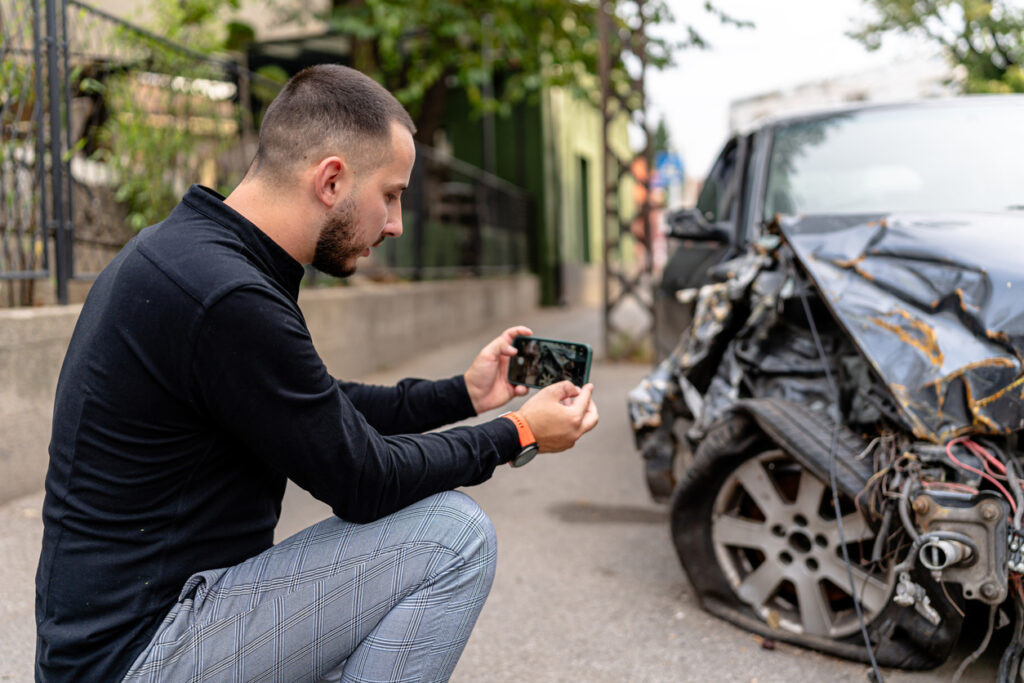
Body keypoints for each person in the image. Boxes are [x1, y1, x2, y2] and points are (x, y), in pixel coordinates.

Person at [35, 64, 598, 682]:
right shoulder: (224, 295)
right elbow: (362, 478)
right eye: (391, 193)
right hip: (141, 655)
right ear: (331, 179)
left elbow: (316, 409)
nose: (396, 224)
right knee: (451, 537)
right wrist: (519, 431)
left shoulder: (193, 257)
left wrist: (464, 395)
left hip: (154, 632)